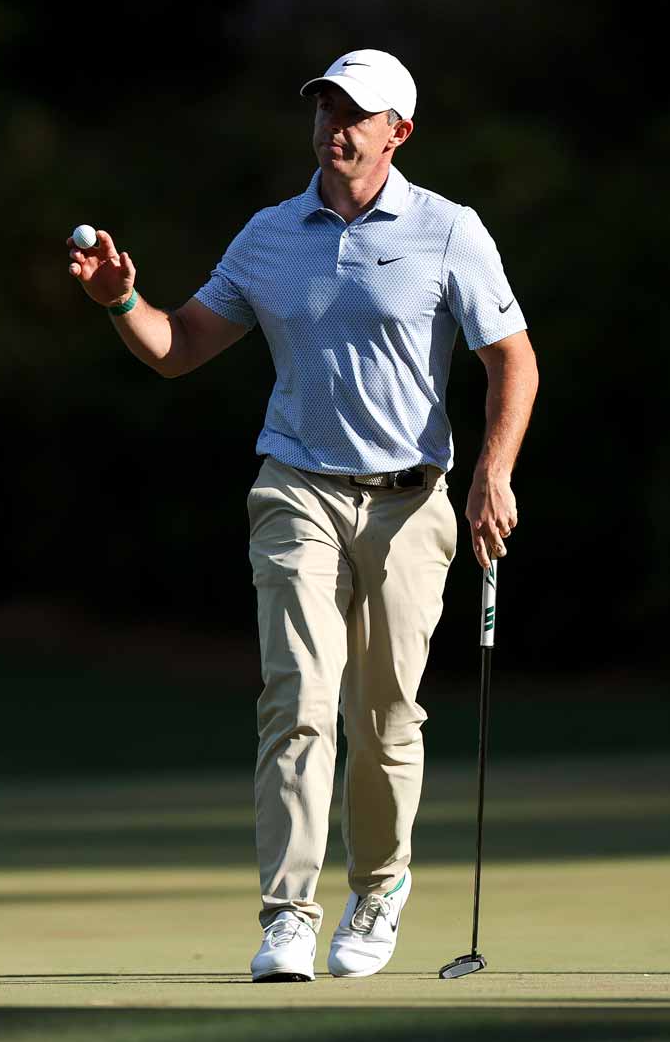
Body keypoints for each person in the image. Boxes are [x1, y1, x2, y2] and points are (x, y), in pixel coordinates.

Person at [65, 48, 538, 982]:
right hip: (297, 489)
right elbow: (178, 347)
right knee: (299, 701)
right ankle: (289, 915)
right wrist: (119, 299)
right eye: (325, 108)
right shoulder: (270, 235)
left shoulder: (449, 231)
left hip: (411, 505)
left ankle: (379, 885)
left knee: (388, 715)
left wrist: (493, 474)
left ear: (399, 131)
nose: (336, 126)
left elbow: (512, 360)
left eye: (357, 112)